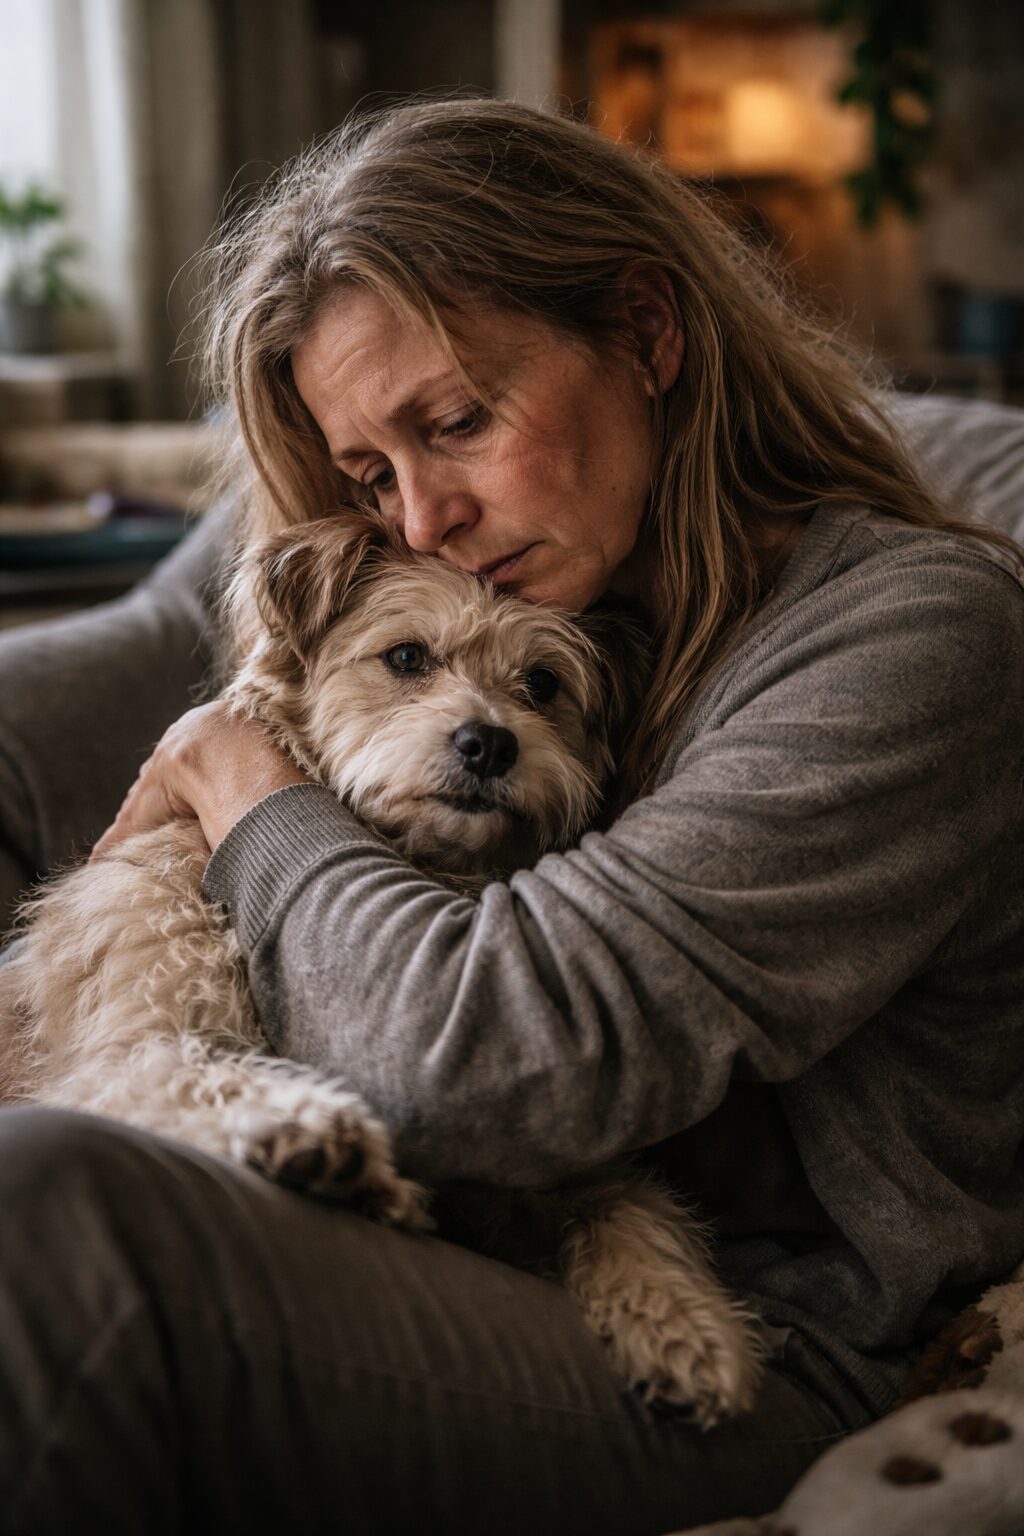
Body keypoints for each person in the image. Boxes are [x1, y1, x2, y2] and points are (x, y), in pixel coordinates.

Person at [1, 99, 1022, 1536]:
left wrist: (241, 783)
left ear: (651, 338)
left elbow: (497, 1063)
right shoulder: (566, 602)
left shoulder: (914, 639)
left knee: (49, 1213)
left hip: (763, 1342)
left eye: (459, 422)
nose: (422, 520)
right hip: (460, 1242)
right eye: (372, 474)